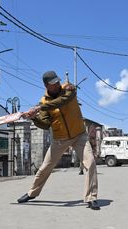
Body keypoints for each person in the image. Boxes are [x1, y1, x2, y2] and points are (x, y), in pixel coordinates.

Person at [17, 71, 99, 210]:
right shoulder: (43, 101)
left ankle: (91, 197)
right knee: (45, 167)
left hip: (79, 135)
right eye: (53, 83)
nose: (57, 84)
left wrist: (39, 108)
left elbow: (63, 101)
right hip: (60, 139)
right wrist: (33, 117)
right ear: (46, 85)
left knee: (90, 163)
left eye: (57, 81)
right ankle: (32, 193)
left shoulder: (69, 88)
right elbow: (45, 124)